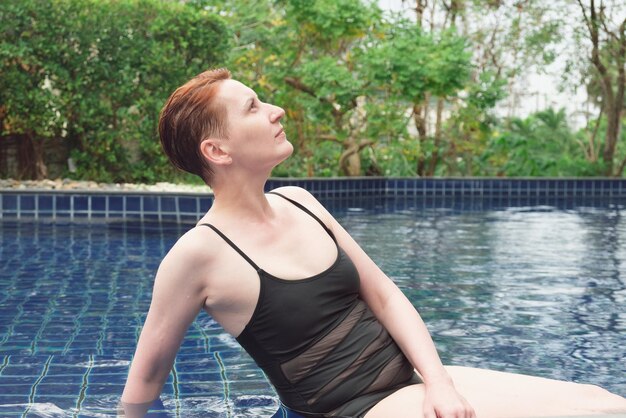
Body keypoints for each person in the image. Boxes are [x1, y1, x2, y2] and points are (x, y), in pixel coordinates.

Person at [120, 68, 626, 418]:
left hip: (411, 381)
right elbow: (142, 387)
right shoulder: (196, 256)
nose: (274, 110)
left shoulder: (301, 201)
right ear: (217, 149)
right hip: (354, 407)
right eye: (253, 106)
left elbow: (382, 294)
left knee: (602, 402)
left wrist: (439, 382)